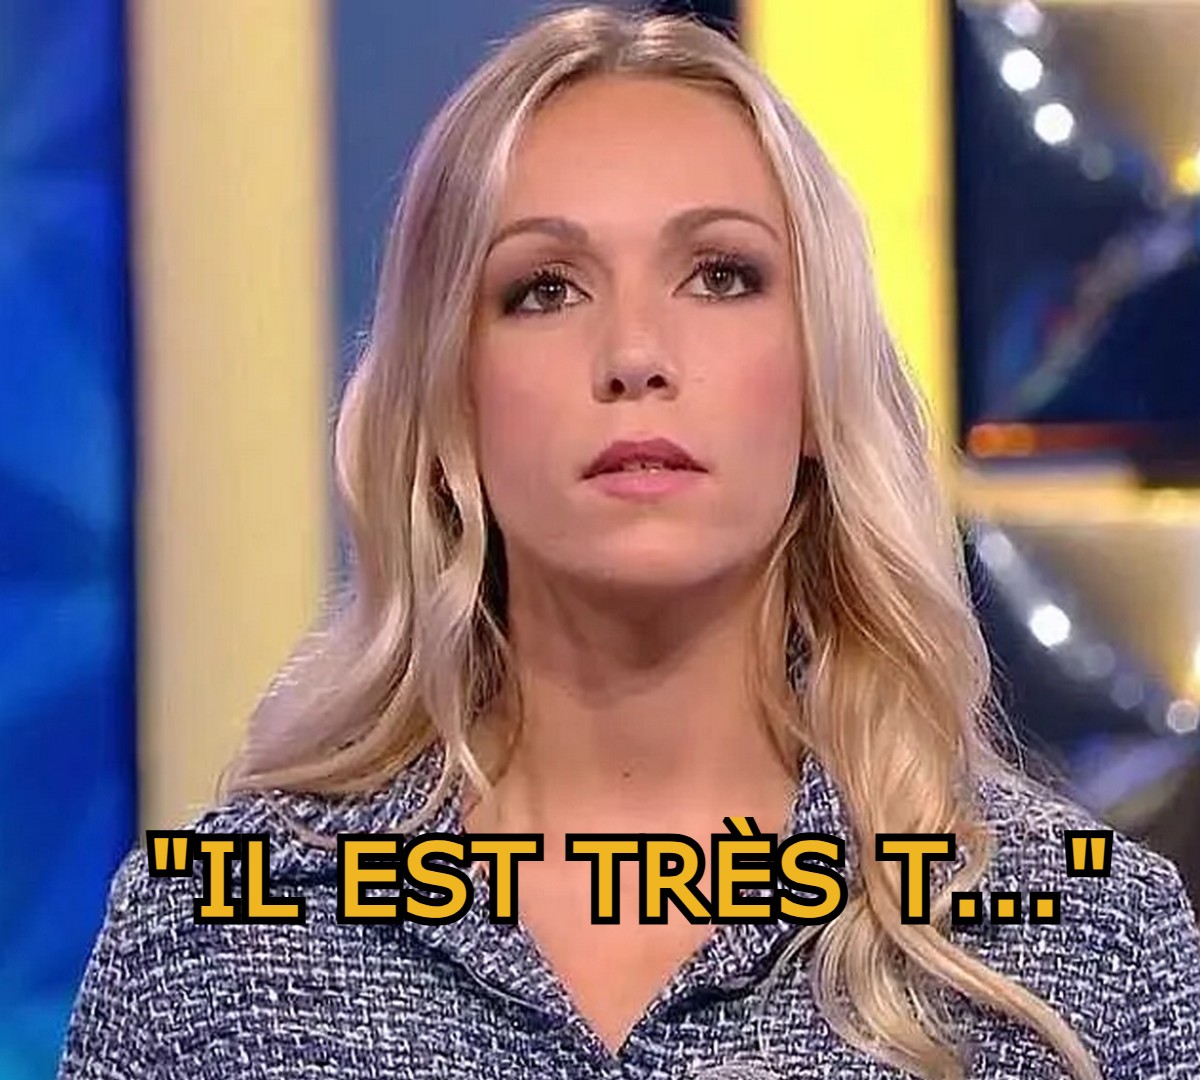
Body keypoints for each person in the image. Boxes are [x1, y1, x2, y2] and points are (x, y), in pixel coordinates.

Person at [56, 6, 1200, 1079]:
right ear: (451, 405)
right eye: (545, 290)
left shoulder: (1085, 945)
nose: (636, 355)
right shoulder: (213, 940)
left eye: (721, 276)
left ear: (819, 386)